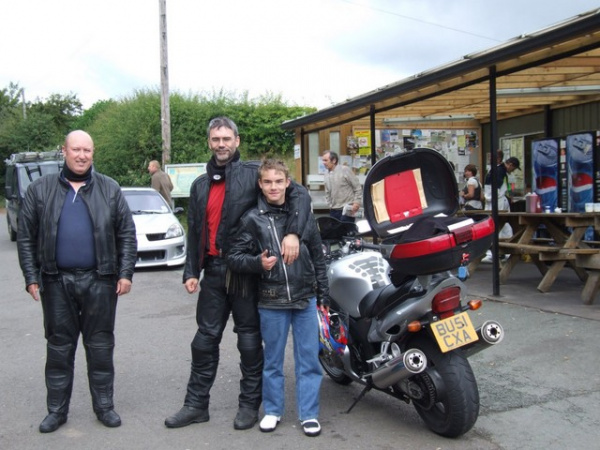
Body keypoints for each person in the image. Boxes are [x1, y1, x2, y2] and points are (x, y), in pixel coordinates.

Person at [164, 117, 311, 431]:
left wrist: (294, 233)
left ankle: (248, 406)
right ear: (209, 142)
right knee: (204, 341)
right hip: (214, 273)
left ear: (237, 141)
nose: (221, 144)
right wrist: (191, 270)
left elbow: (299, 195)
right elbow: (196, 230)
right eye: (216, 139)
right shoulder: (200, 184)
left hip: (246, 271)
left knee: (248, 342)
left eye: (226, 138)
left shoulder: (252, 174)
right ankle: (195, 405)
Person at [17, 130, 137, 433]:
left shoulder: (109, 189)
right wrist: (31, 276)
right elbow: (26, 238)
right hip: (55, 282)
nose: (82, 155)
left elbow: (126, 234)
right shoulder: (39, 189)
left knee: (100, 347)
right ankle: (56, 411)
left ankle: (105, 407)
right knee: (59, 348)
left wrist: (125, 273)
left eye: (87, 150)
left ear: (93, 153)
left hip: (101, 281)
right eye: (76, 149)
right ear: (64, 151)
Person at [227, 159, 328, 437]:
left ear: (287, 183)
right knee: (272, 361)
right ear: (260, 184)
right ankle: (272, 410)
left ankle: (309, 414)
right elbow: (233, 257)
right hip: (271, 301)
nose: (273, 187)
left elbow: (318, 254)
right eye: (268, 182)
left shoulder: (302, 215)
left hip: (304, 298)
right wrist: (258, 264)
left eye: (278, 181)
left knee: (308, 360)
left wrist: (323, 293)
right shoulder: (251, 219)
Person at [321, 150, 362, 222]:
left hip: (347, 209)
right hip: (334, 210)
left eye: (325, 160)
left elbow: (357, 187)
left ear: (334, 160)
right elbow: (327, 192)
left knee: (346, 231)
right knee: (335, 232)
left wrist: (356, 202)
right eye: (323, 160)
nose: (323, 163)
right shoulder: (326, 174)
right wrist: (330, 205)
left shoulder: (345, 170)